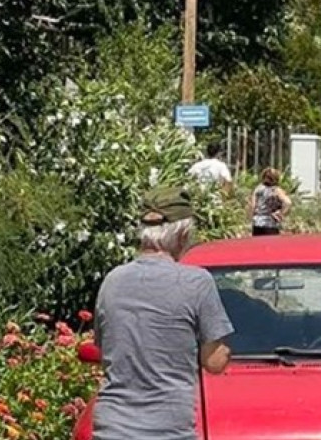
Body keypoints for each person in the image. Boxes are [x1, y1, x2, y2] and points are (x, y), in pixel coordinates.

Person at [92, 186, 234, 440]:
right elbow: (214, 362)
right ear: (182, 235)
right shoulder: (196, 282)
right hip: (167, 430)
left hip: (112, 428)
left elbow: (106, 351)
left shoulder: (112, 281)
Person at [248, 168, 292, 236]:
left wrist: (251, 219)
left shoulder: (258, 189)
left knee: (258, 245)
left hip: (257, 223)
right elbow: (288, 202)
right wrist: (281, 213)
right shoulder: (276, 190)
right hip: (270, 224)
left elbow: (253, 206)